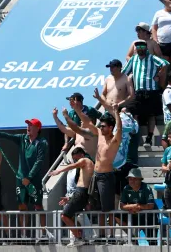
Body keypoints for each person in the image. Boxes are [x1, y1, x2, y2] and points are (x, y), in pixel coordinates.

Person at [0, 119, 50, 241]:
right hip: (20, 179)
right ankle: (24, 234)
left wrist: (29, 177)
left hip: (33, 180)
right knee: (22, 206)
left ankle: (44, 233)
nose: (28, 127)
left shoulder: (42, 142)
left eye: (31, 125)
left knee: (38, 205)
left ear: (37, 128)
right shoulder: (22, 138)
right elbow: (8, 136)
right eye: (28, 125)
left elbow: (39, 161)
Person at [71, 94, 122, 243]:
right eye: (101, 126)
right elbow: (87, 122)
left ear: (110, 127)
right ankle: (100, 235)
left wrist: (116, 113)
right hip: (96, 175)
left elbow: (119, 129)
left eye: (104, 126)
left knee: (108, 209)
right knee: (99, 208)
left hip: (106, 176)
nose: (101, 128)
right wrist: (78, 110)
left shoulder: (114, 140)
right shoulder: (99, 134)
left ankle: (111, 236)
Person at [122, 39, 169, 147]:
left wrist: (158, 75)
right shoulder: (133, 59)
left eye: (142, 47)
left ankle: (149, 137)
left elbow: (165, 63)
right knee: (133, 112)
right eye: (138, 48)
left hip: (151, 90)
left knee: (151, 115)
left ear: (146, 48)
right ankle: (136, 135)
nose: (140, 50)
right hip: (138, 91)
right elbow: (124, 72)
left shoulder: (152, 58)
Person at [49, 147, 95, 247]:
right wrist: (69, 198)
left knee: (64, 216)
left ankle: (78, 237)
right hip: (81, 194)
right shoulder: (89, 165)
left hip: (80, 193)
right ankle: (79, 237)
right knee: (72, 216)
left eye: (76, 159)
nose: (75, 161)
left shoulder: (85, 160)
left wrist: (59, 171)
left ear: (81, 155)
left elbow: (73, 166)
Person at [104, 59, 139, 164]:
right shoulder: (108, 79)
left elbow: (131, 95)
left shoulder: (126, 79)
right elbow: (103, 93)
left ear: (119, 67)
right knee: (106, 133)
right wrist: (103, 100)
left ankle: (127, 158)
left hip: (119, 110)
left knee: (122, 133)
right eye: (110, 67)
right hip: (108, 109)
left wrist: (119, 104)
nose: (111, 69)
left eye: (113, 67)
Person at [115, 168, 157, 245]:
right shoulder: (126, 188)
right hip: (134, 215)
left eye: (134, 179)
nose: (132, 181)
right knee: (117, 215)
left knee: (152, 242)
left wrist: (138, 207)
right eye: (130, 179)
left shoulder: (146, 188)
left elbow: (151, 205)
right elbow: (121, 206)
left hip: (147, 216)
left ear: (140, 180)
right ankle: (132, 236)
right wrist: (132, 206)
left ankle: (152, 243)